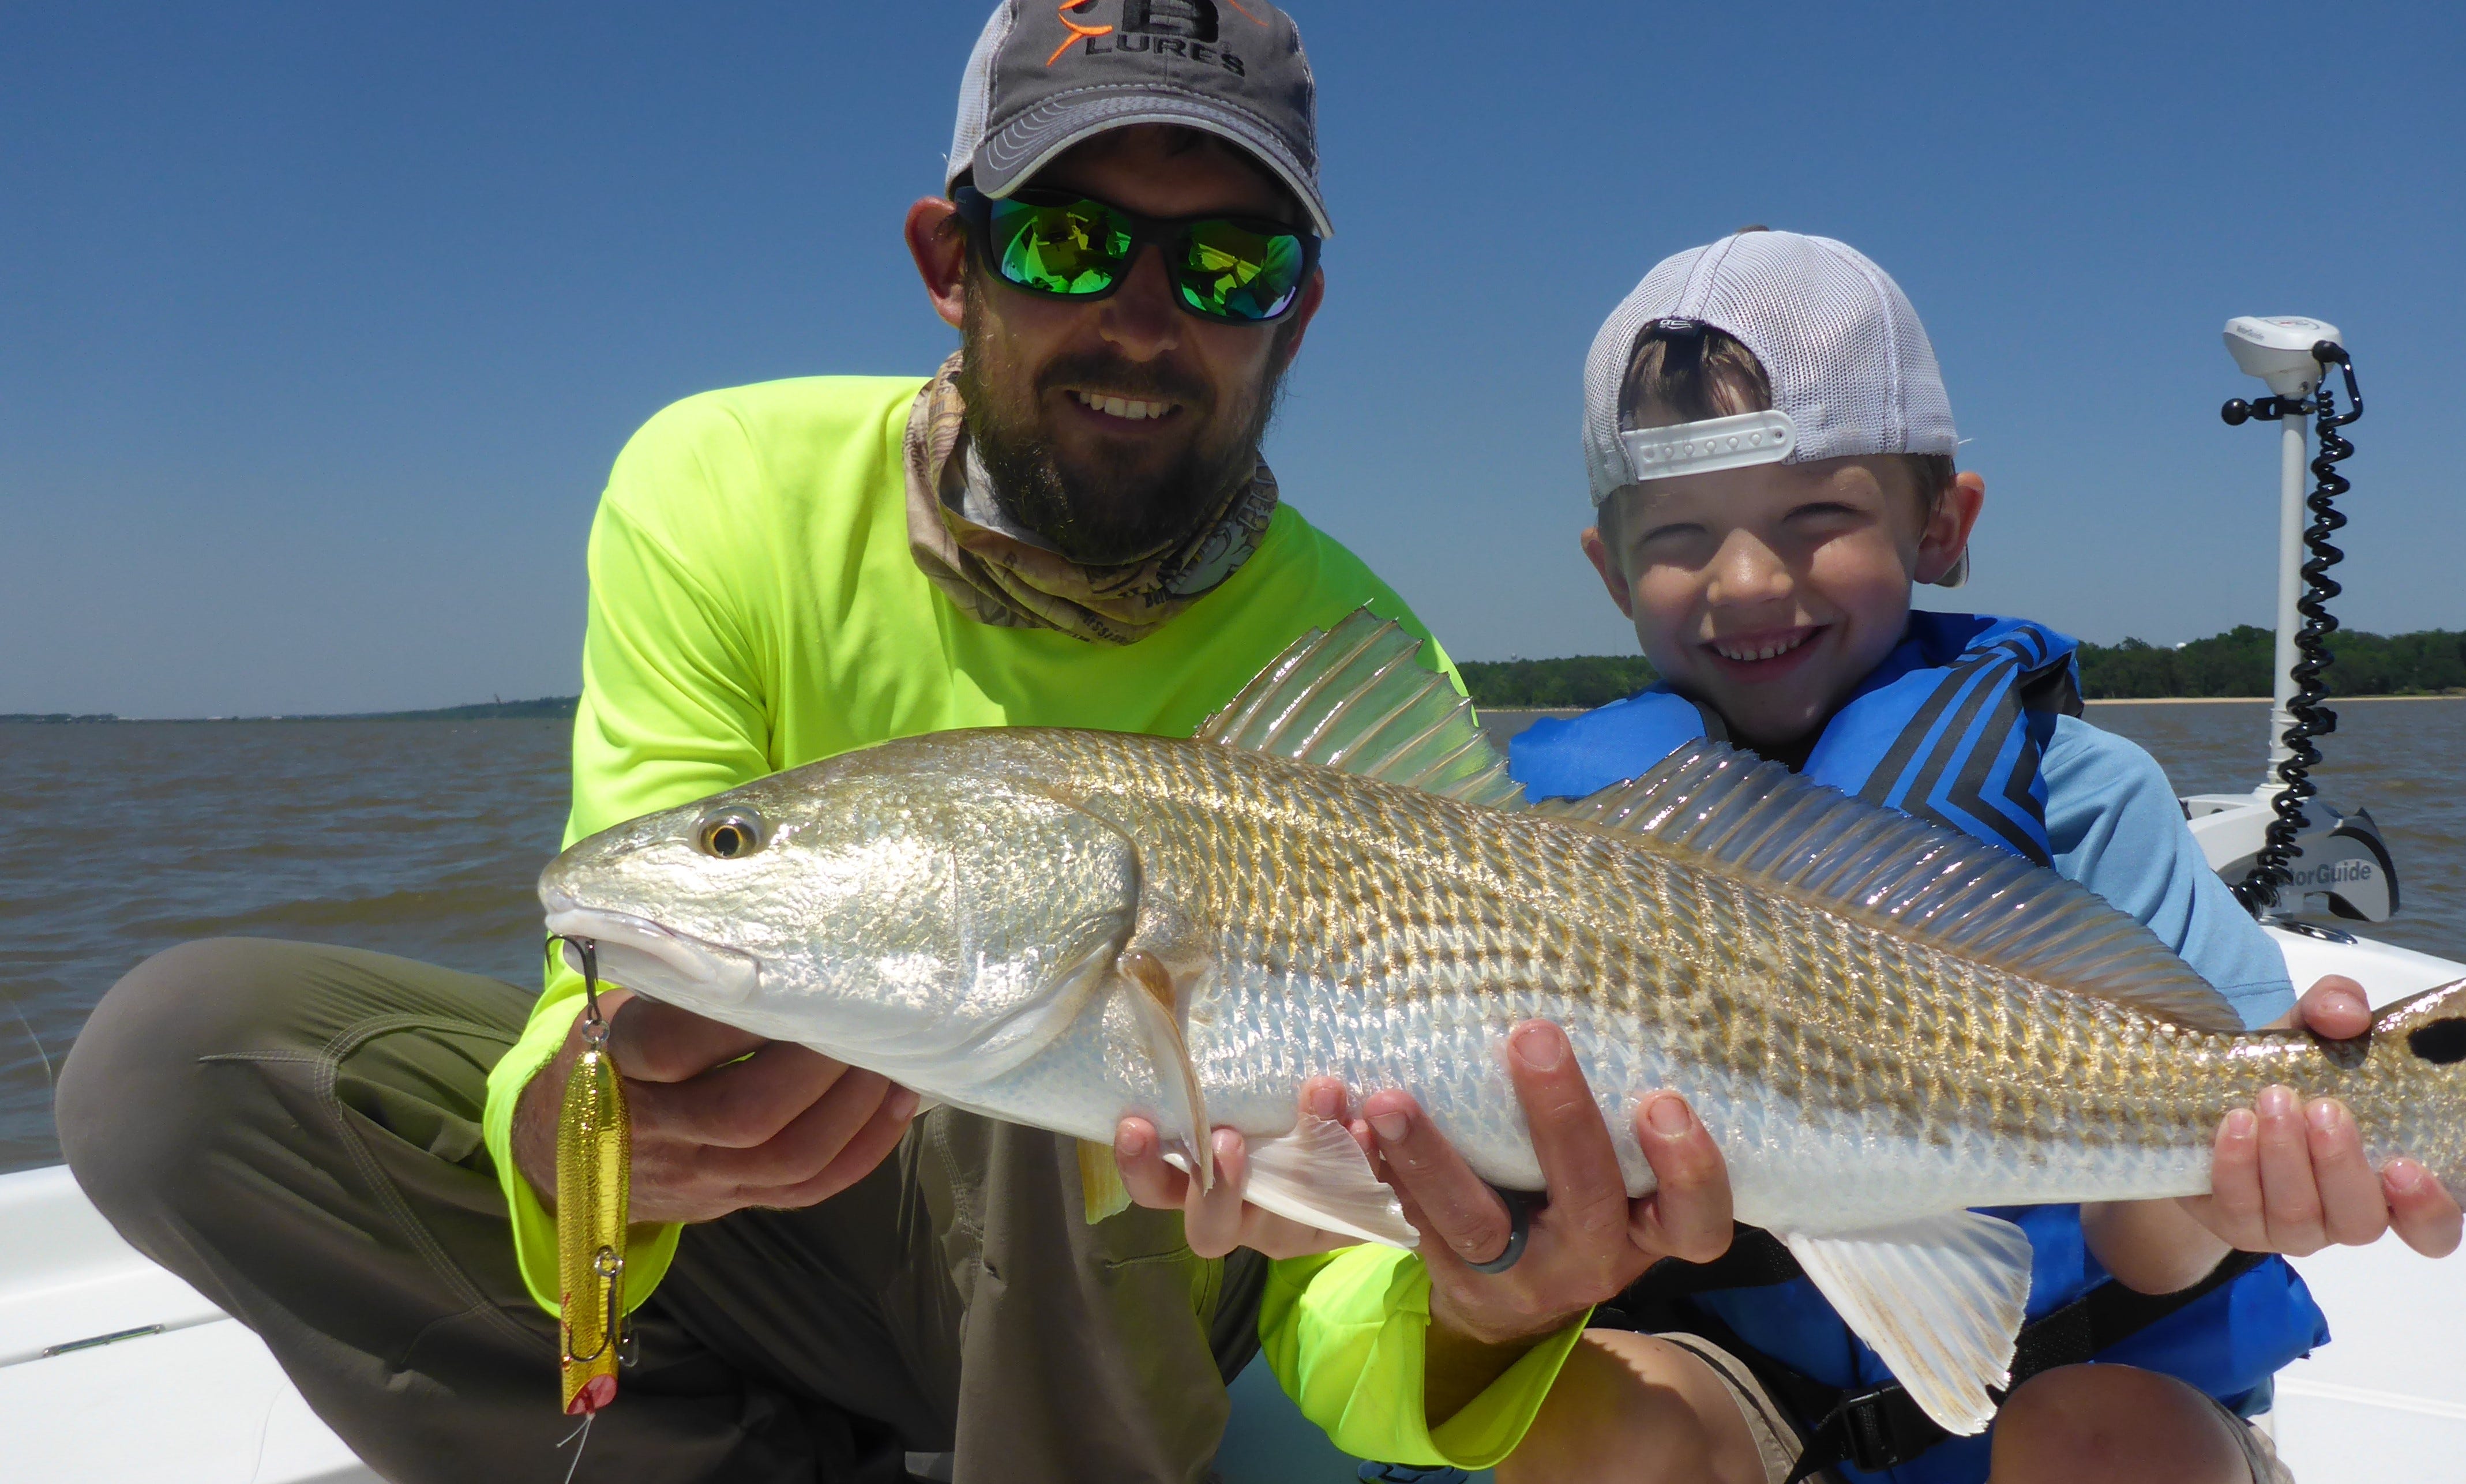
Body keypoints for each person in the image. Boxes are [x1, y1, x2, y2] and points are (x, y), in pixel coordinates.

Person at [55, 5, 1722, 1480]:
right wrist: (594, 1122)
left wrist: (1486, 1305)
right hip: (782, 1253)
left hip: (1138, 1299)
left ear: (1294, 317)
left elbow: (1330, 1262)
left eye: (1228, 266)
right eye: (1070, 242)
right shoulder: (716, 484)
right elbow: (602, 983)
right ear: (952, 259)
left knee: (1051, 1017)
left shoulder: (1358, 648)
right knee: (175, 1064)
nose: (1144, 321)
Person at [1258, 230, 2466, 1484]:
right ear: (1606, 571)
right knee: (1584, 1441)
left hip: (2070, 1372)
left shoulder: (2089, 796)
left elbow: (2157, 1248)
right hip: (1733, 1385)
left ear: (1943, 523)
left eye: (1816, 515)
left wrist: (2229, 1193)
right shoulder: (1548, 841)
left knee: (2108, 1447)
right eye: (1676, 535)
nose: (1744, 580)